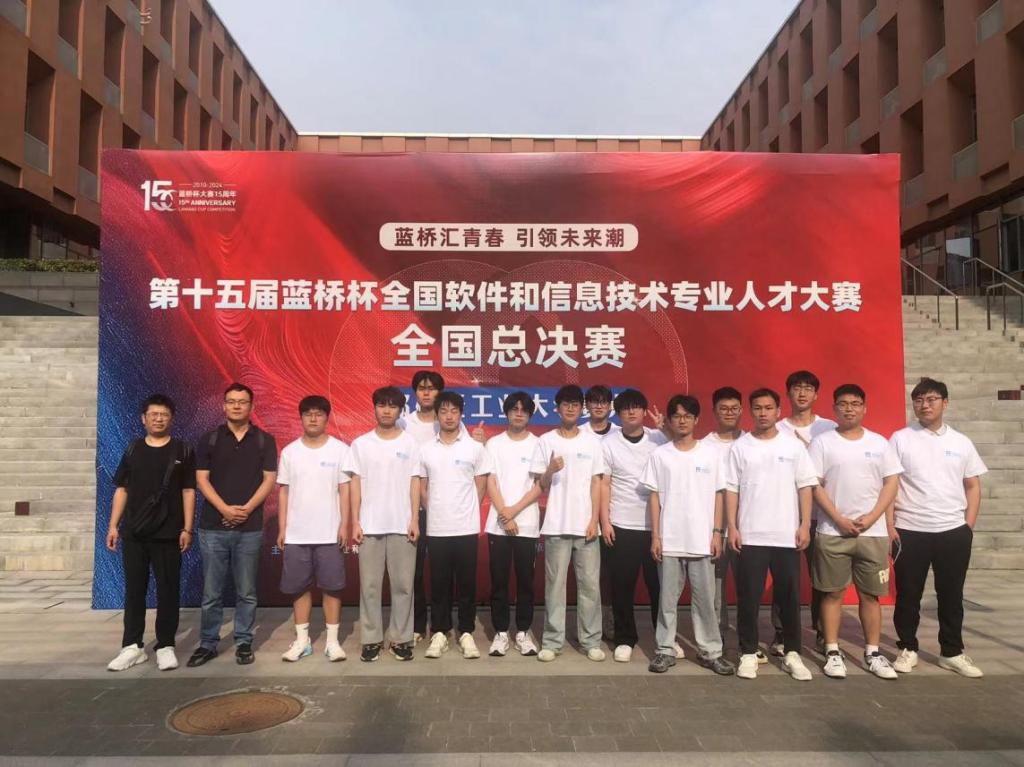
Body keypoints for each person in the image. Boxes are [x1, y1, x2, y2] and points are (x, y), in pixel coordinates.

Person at [889, 378, 987, 678]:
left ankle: (952, 652)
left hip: (952, 530)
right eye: (918, 400)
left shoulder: (961, 442)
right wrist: (890, 525)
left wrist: (967, 526)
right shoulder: (900, 439)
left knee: (951, 595)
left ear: (945, 402)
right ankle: (908, 647)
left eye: (931, 399)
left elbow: (973, 485)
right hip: (910, 529)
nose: (924, 405)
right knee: (908, 594)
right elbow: (890, 484)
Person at [807, 384, 902, 680]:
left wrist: (873, 517)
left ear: (864, 408)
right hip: (832, 531)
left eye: (855, 403)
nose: (849, 408)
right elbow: (814, 484)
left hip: (872, 534)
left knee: (871, 596)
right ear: (834, 408)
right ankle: (832, 651)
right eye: (843, 404)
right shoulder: (822, 443)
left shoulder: (880, 443)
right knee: (832, 593)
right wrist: (838, 518)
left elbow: (891, 483)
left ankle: (872, 652)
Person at [726, 388, 817, 682]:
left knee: (789, 598)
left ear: (778, 411)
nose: (763, 413)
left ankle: (792, 652)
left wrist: (804, 525)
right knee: (748, 598)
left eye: (768, 408)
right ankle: (748, 652)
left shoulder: (793, 446)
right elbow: (731, 489)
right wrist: (732, 527)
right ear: (751, 411)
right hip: (751, 534)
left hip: (786, 535)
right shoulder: (741, 447)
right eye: (758, 408)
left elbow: (805, 486)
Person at [188, 383, 278, 668]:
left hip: (249, 528)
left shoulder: (264, 440)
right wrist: (225, 509)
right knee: (211, 593)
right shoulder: (210, 439)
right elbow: (201, 480)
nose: (237, 406)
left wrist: (247, 509)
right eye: (231, 401)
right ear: (224, 405)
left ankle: (243, 641)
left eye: (242, 401)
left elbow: (269, 479)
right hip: (213, 526)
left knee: (246, 592)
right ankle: (208, 643)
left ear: (252, 406)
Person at [644, 395, 734, 676]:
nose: (682, 421)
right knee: (667, 601)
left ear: (696, 420)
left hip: (702, 540)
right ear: (670, 421)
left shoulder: (711, 454)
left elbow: (719, 494)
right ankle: (665, 650)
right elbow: (654, 497)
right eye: (677, 416)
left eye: (687, 416)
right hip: (670, 539)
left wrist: (717, 532)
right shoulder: (660, 455)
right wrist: (656, 536)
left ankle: (710, 652)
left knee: (705, 601)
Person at [106, 394, 196, 672]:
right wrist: (113, 525)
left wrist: (187, 528)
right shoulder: (133, 449)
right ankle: (131, 646)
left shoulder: (182, 450)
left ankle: (166, 645)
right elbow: (122, 489)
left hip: (169, 534)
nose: (159, 419)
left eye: (164, 414)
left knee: (168, 590)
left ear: (172, 419)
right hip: (134, 533)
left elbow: (189, 491)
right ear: (143, 418)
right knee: (134, 590)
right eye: (153, 414)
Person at [400, 370, 482, 645]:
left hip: (449, 514)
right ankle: (419, 625)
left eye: (432, 388)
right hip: (414, 506)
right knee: (417, 571)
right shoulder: (404, 423)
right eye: (422, 388)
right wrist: (423, 505)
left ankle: (459, 629)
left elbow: (473, 467)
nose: (427, 392)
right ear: (415, 392)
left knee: (454, 575)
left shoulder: (456, 428)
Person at [532, 384, 606, 663]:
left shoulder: (592, 442)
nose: (571, 408)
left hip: (586, 527)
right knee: (555, 586)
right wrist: (550, 470)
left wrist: (594, 519)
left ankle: (591, 641)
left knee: (590, 586)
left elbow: (597, 482)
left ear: (581, 408)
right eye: (566, 404)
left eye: (576, 404)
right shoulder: (546, 440)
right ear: (558, 408)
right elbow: (540, 484)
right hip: (556, 525)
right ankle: (553, 641)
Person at [347, 386, 421, 662]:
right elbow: (355, 483)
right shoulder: (361, 444)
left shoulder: (410, 444)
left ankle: (401, 638)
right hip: (370, 525)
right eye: (382, 405)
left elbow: (415, 481)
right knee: (369, 586)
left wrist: (414, 518)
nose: (387, 410)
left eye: (392, 406)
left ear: (401, 410)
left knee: (403, 585)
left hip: (402, 524)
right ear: (374, 408)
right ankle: (371, 639)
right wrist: (355, 521)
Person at [417, 391, 492, 659]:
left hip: (466, 528)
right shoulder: (426, 449)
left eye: (454, 411)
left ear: (461, 414)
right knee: (439, 584)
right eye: (444, 411)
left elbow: (481, 485)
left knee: (467, 584)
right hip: (437, 528)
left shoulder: (474, 447)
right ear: (436, 415)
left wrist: (467, 510)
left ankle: (466, 632)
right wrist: (435, 509)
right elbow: (422, 487)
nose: (449, 416)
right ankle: (439, 631)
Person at [276, 395, 351, 663]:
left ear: (327, 418)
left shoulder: (340, 450)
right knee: (299, 588)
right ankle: (302, 641)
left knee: (332, 587)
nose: (313, 418)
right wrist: (283, 528)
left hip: (329, 532)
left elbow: (345, 490)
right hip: (297, 533)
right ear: (301, 417)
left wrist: (344, 524)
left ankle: (332, 642)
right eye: (308, 414)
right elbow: (284, 491)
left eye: (318, 413)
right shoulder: (290, 452)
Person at [600, 388, 670, 663]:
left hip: (657, 526)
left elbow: (682, 456)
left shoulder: (658, 438)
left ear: (644, 411)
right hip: (622, 523)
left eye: (636, 407)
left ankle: (665, 640)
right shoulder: (608, 443)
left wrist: (666, 429)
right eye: (625, 408)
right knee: (622, 586)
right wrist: (605, 521)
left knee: (660, 587)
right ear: (618, 414)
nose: (631, 412)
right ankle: (625, 638)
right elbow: (604, 484)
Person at [771, 370, 838, 655]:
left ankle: (823, 633)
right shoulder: (777, 428)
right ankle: (781, 633)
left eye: (808, 388)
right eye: (797, 388)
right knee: (784, 578)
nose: (802, 393)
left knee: (822, 578)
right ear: (788, 393)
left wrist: (809, 451)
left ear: (816, 394)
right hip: (785, 515)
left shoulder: (829, 428)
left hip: (821, 517)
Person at [485, 391, 543, 657]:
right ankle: (500, 632)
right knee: (498, 580)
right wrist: (504, 514)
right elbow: (491, 481)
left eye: (524, 410)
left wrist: (514, 512)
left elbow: (540, 485)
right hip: (498, 525)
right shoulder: (494, 444)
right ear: (506, 412)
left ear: (530, 414)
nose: (519, 414)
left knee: (525, 582)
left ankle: (522, 632)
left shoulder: (538, 444)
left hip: (527, 524)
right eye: (514, 409)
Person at [701, 386, 748, 651]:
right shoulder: (704, 446)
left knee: (747, 585)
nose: (729, 413)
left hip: (747, 527)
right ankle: (716, 636)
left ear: (741, 411)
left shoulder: (751, 442)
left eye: (734, 408)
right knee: (714, 586)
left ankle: (747, 638)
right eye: (723, 409)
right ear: (714, 412)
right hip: (715, 529)